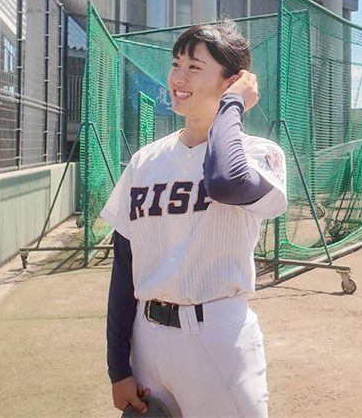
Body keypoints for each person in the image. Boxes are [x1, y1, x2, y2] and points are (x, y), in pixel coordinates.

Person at [104, 21, 288, 417]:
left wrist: (232, 107)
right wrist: (117, 365)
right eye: (176, 64)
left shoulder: (259, 153)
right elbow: (124, 265)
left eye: (194, 67)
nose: (178, 77)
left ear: (233, 81)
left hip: (217, 337)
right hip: (147, 337)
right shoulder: (145, 160)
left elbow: (225, 181)